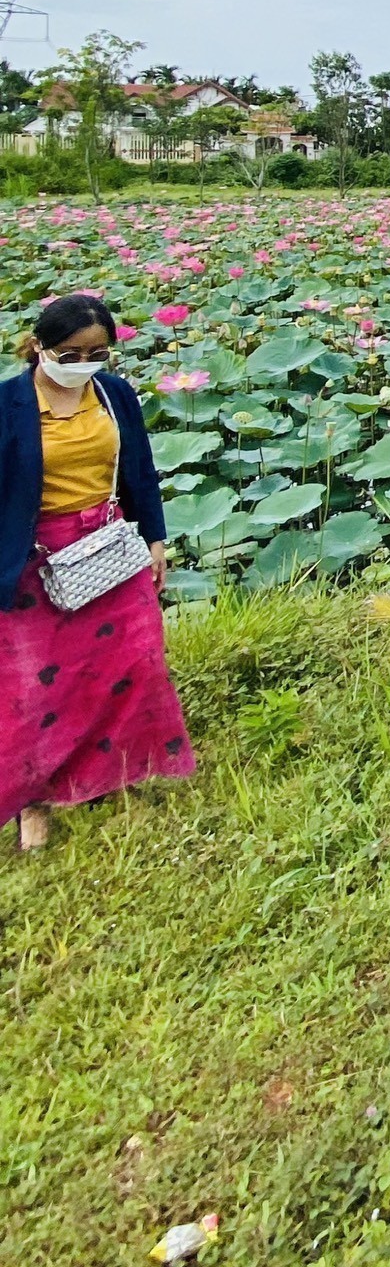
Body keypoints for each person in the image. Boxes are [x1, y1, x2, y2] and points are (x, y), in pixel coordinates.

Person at [1, 293, 191, 852]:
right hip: (35, 555)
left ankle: (114, 773)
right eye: (71, 351)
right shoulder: (9, 404)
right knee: (36, 684)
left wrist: (154, 537)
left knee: (133, 661)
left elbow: (140, 468)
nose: (84, 361)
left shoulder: (114, 394)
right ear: (39, 347)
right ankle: (33, 800)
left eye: (98, 352)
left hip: (110, 545)